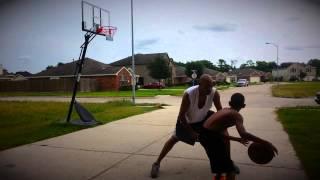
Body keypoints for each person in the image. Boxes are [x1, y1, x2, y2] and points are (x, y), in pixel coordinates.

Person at [150, 74, 246, 178]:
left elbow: (219, 112)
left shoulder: (214, 93)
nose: (209, 89)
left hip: (203, 120)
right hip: (186, 122)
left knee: (221, 139)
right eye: (207, 87)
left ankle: (228, 164)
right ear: (199, 84)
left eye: (211, 86)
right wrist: (191, 132)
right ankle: (156, 163)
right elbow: (181, 116)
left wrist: (222, 127)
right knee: (174, 139)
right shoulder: (189, 94)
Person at [200, 93, 278, 180]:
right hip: (210, 138)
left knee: (219, 162)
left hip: (204, 136)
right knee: (230, 169)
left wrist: (236, 139)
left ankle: (219, 176)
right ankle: (223, 174)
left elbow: (215, 133)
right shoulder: (236, 115)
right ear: (243, 105)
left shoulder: (224, 110)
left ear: (230, 103)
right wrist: (266, 142)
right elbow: (243, 134)